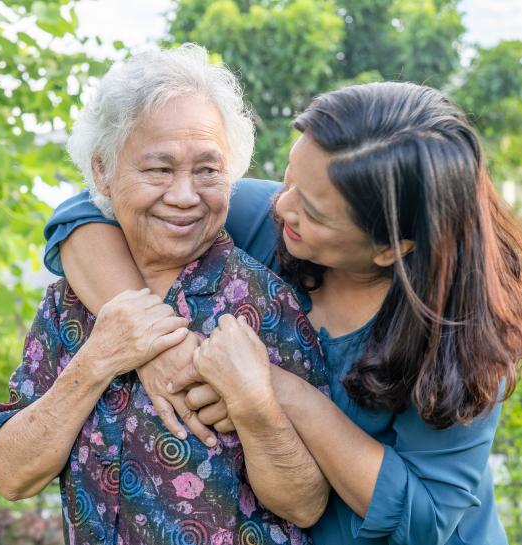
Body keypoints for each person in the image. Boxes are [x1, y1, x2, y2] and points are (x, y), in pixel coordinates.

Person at [42, 80, 522, 545]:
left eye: (312, 211)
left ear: (390, 248)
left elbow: (427, 519)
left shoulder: (465, 336)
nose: (282, 205)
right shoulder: (269, 217)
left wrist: (278, 391)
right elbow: (87, 213)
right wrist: (152, 342)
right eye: (290, 179)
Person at [0, 45, 331, 545]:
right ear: (102, 172)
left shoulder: (266, 300)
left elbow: (306, 503)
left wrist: (255, 408)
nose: (186, 195)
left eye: (209, 170)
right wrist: (98, 359)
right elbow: (13, 476)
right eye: (160, 169)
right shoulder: (69, 303)